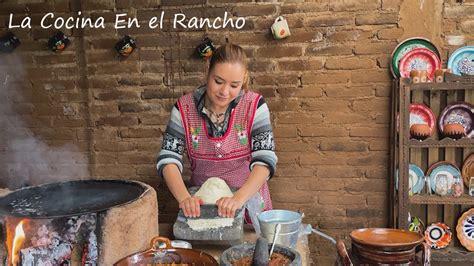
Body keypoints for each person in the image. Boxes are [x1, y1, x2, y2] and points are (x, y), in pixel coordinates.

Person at [156, 43, 277, 219]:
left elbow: (264, 159)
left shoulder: (255, 105)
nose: (224, 92)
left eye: (234, 85)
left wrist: (237, 199)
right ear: (208, 73)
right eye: (218, 81)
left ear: (243, 80)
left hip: (248, 201)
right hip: (204, 205)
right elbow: (169, 158)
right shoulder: (184, 108)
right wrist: (184, 198)